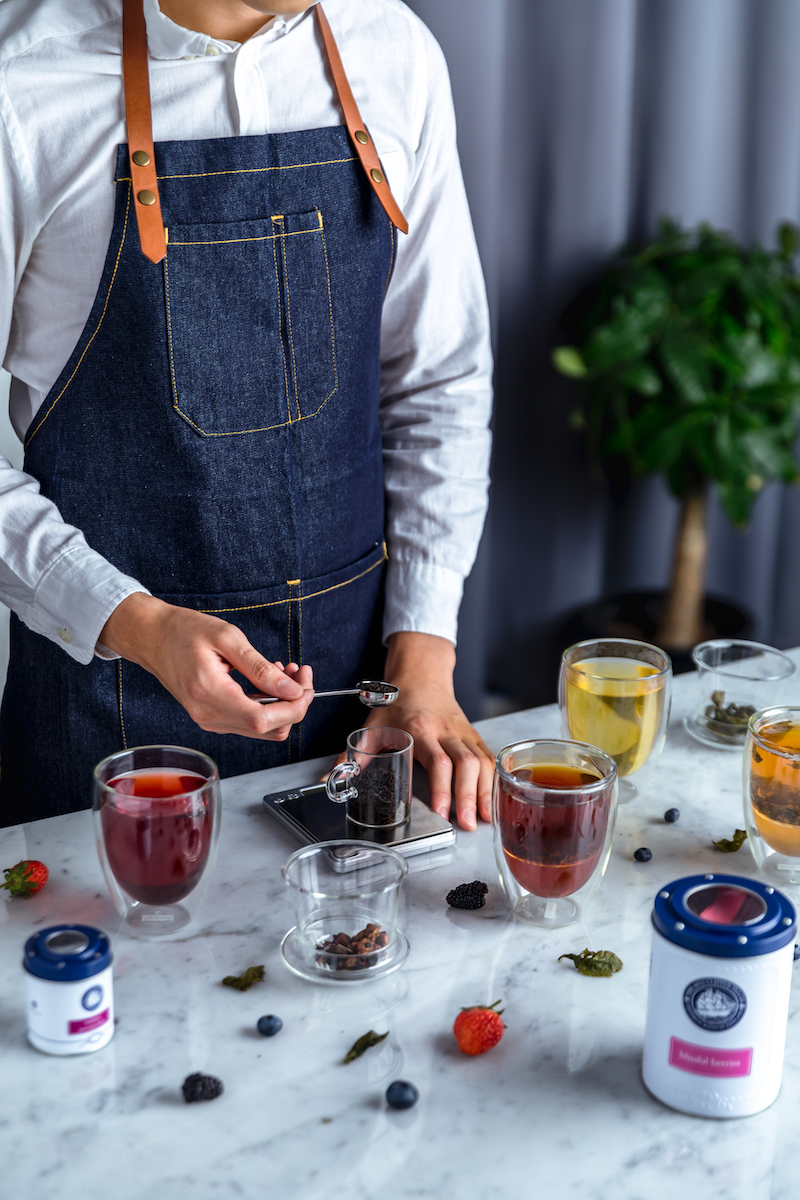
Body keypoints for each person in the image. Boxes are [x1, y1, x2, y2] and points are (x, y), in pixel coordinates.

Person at [0, 0, 493, 830]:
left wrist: (425, 655)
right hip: (107, 729)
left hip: (365, 715)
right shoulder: (23, 81)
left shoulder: (394, 50)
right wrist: (137, 623)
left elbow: (439, 380)